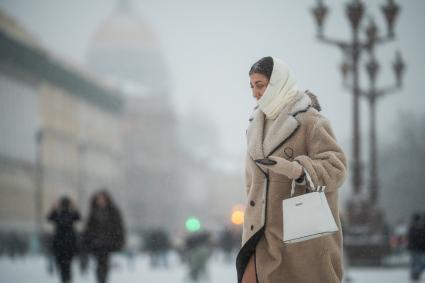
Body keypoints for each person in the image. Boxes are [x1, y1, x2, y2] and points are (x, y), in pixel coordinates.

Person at [236, 56, 348, 283]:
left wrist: (298, 170)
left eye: (260, 85)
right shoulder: (254, 126)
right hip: (260, 234)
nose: (254, 93)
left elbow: (337, 168)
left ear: (278, 83)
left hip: (299, 232)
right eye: (252, 86)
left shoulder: (309, 120)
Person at [82, 189, 125, 283]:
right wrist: (86, 241)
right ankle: (100, 279)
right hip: (95, 242)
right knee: (99, 264)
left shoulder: (113, 211)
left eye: (102, 198)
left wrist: (119, 240)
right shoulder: (93, 211)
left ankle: (102, 280)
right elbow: (88, 228)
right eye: (99, 198)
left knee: (103, 263)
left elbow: (119, 227)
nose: (101, 200)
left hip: (107, 242)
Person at [47, 196, 80, 283]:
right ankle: (66, 279)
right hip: (66, 243)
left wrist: (54, 208)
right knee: (65, 265)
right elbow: (49, 218)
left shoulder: (62, 214)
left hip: (63, 243)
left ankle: (66, 279)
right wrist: (54, 208)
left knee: (64, 265)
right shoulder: (63, 214)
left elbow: (78, 217)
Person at [408, 213, 425, 281]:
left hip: (417, 248)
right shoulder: (416, 227)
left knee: (416, 262)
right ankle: (415, 274)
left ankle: (415, 273)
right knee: (418, 262)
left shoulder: (414, 227)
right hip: (418, 248)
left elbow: (411, 238)